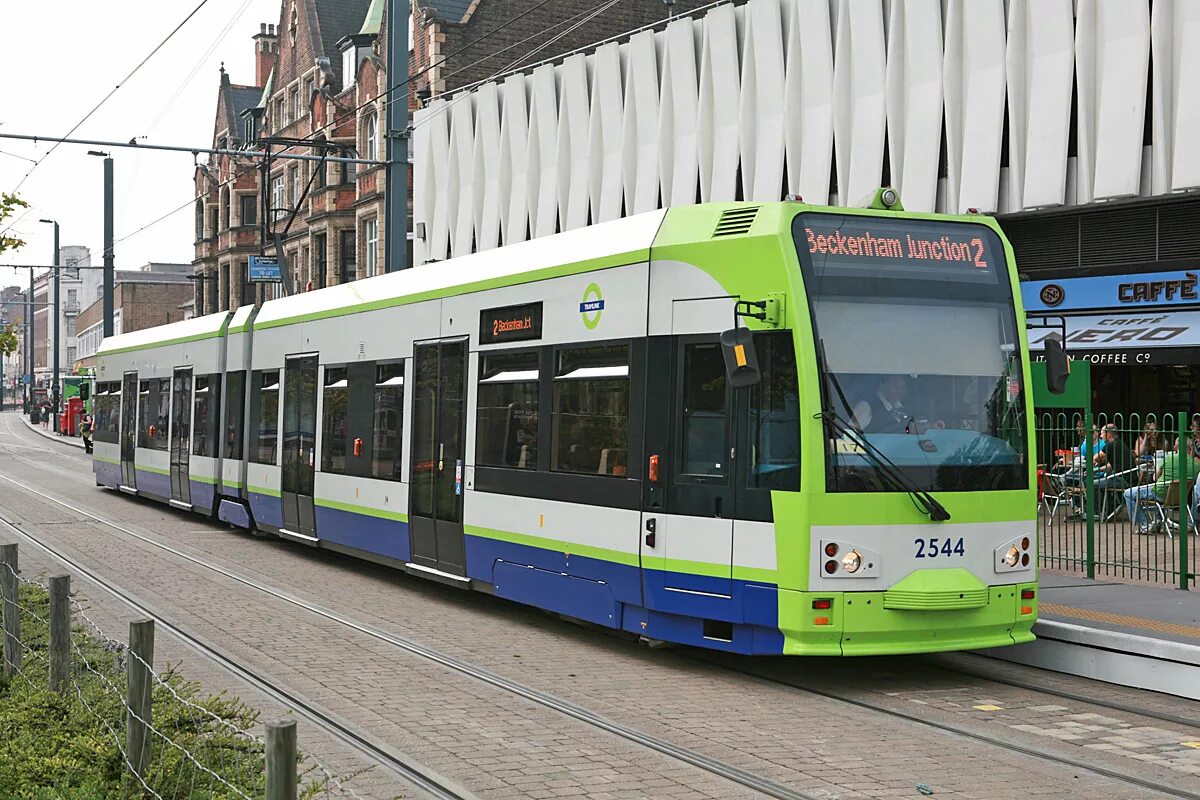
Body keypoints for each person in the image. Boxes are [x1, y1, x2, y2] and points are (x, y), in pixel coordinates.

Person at [1124, 436, 1200, 534]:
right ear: (1190, 448)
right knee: (1159, 491)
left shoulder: (1168, 458)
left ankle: (1144, 523)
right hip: (1180, 497)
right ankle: (1157, 522)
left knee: (1128, 493)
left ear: (1176, 447)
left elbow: (1155, 478)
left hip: (1159, 493)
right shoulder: (1196, 465)